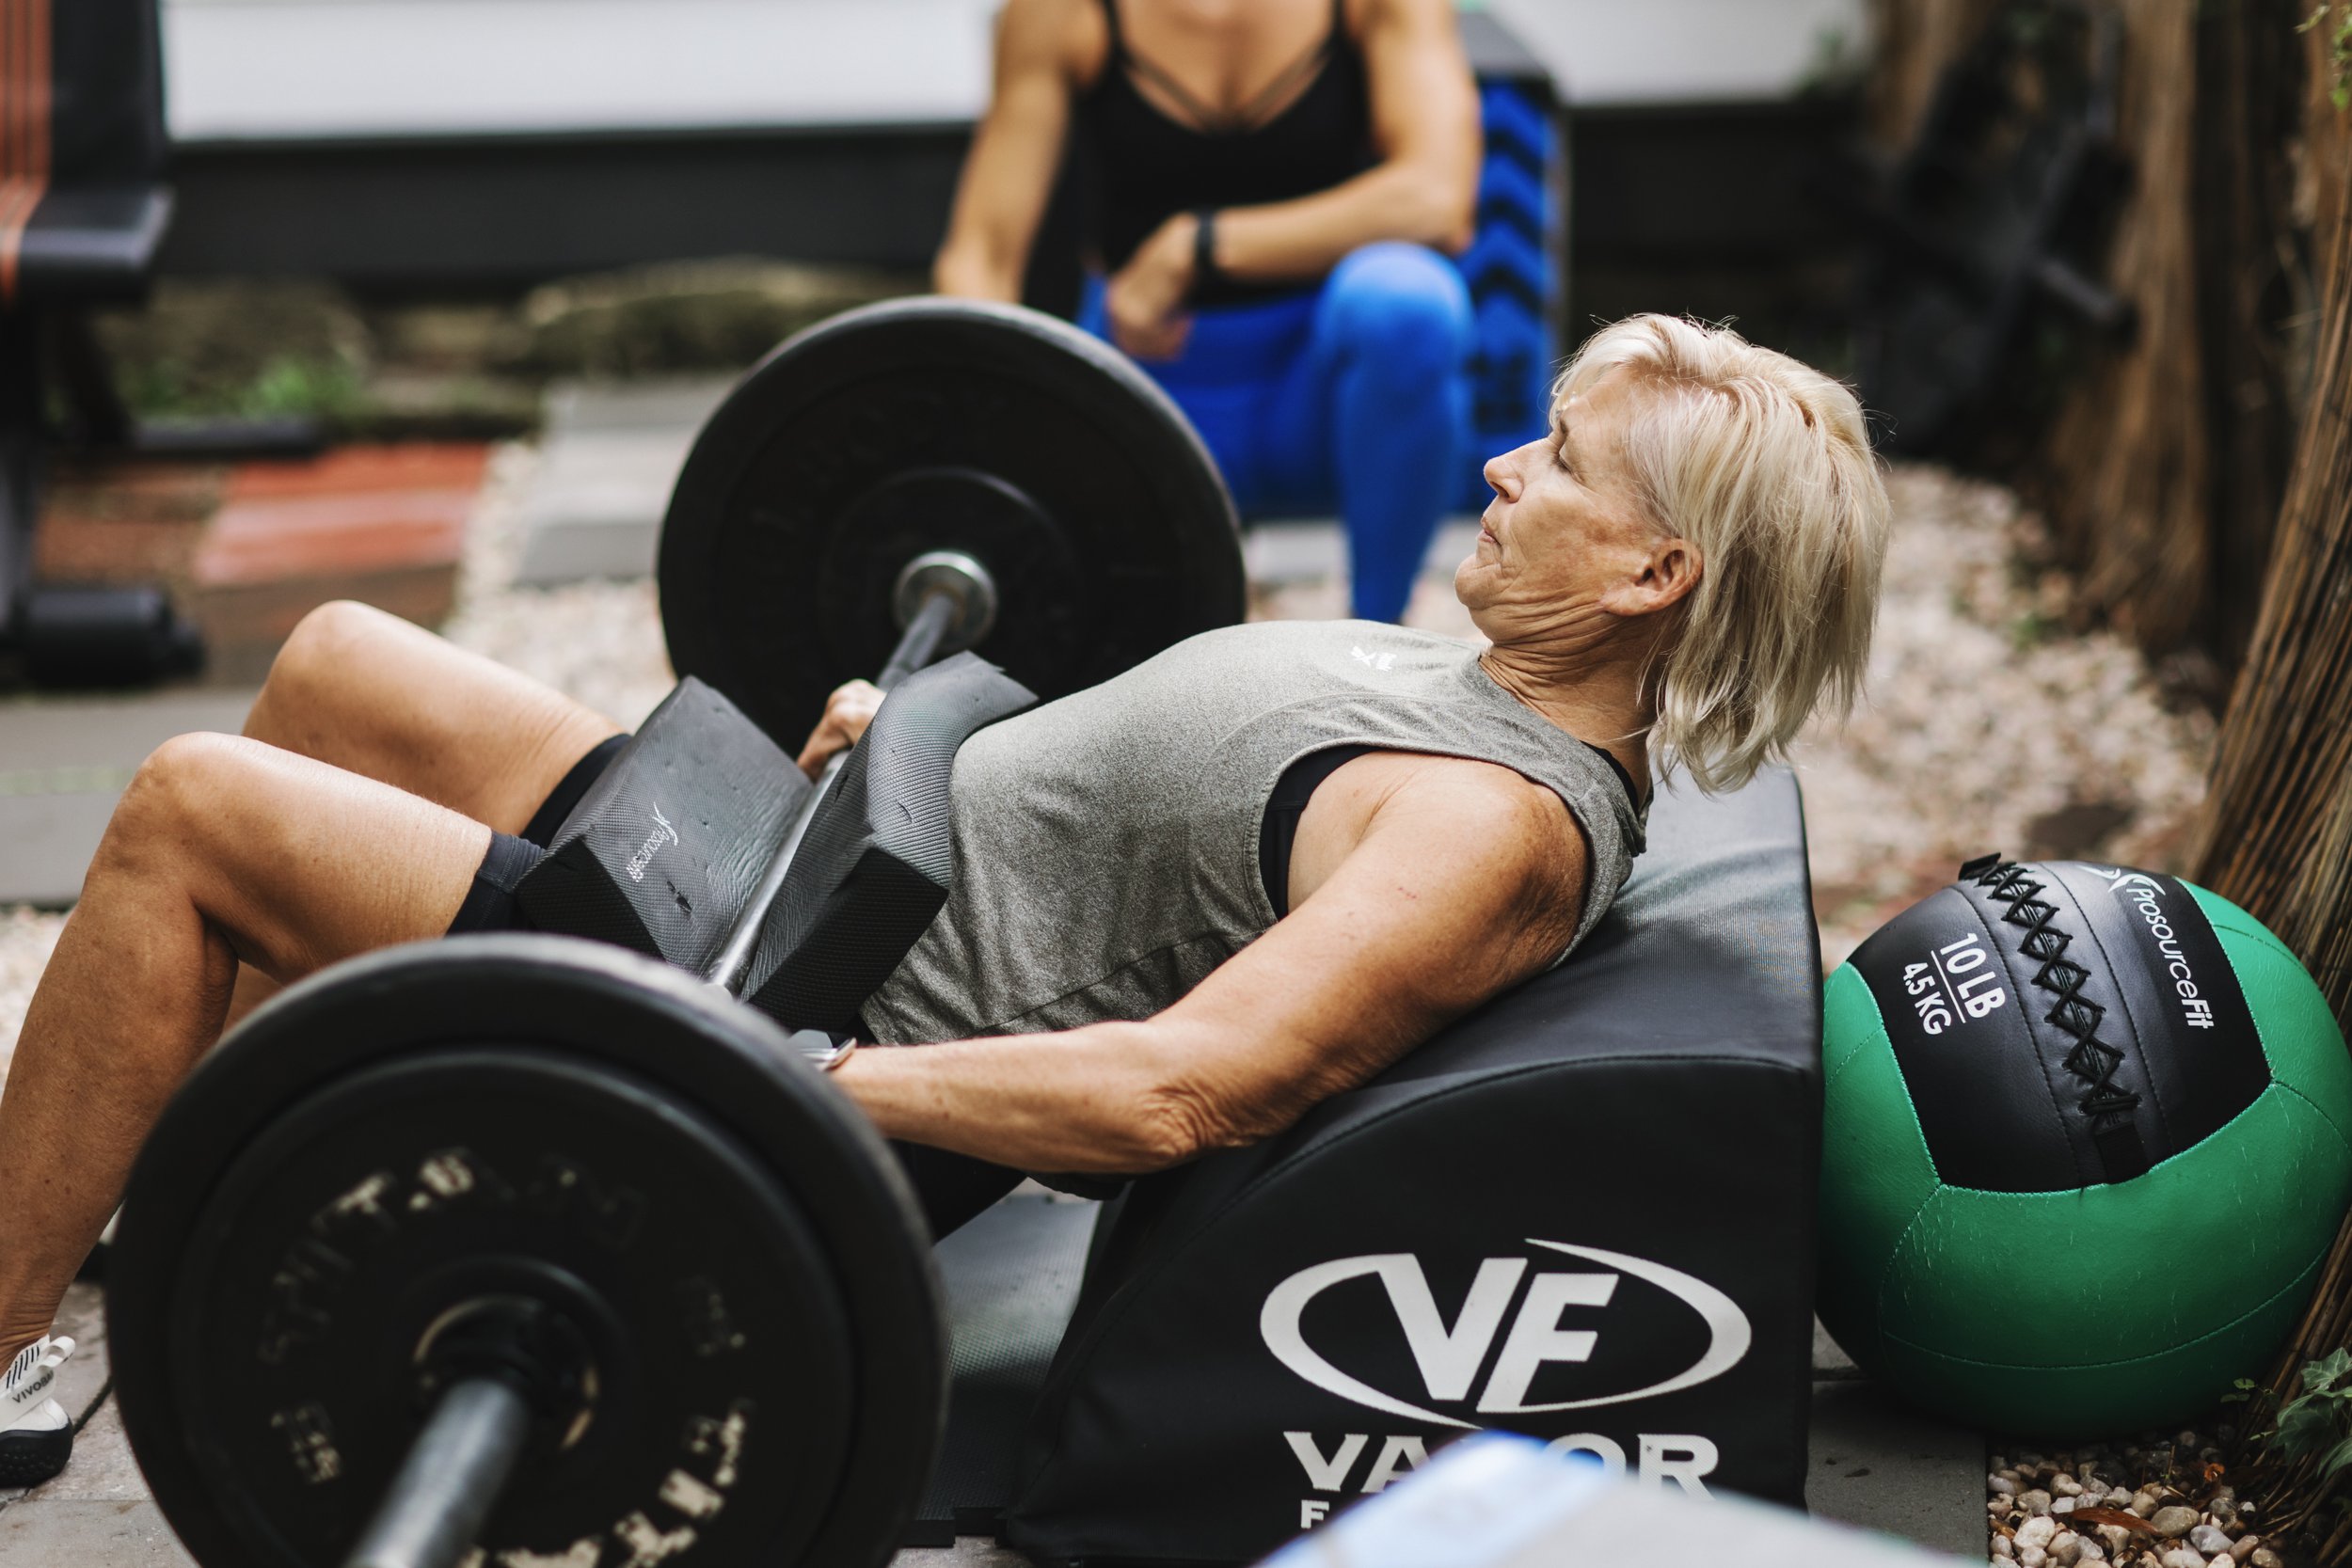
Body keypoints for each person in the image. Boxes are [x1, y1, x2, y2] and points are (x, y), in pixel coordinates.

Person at [0, 315, 1888, 1483]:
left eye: (1551, 463)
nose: (1497, 466)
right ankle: (191, 1198)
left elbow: (1179, 1087)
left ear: (1654, 570)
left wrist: (801, 1076)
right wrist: (915, 732)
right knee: (340, 659)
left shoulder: (1492, 827)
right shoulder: (1480, 678)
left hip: (766, 1001)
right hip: (814, 858)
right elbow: (1155, 795)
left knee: (187, 808)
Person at [933, 0, 1482, 623]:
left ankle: (1377, 636)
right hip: (1147, 393)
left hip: (1312, 401)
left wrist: (1199, 246)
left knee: (1408, 304)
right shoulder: (1059, 12)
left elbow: (1438, 199)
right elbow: (979, 258)